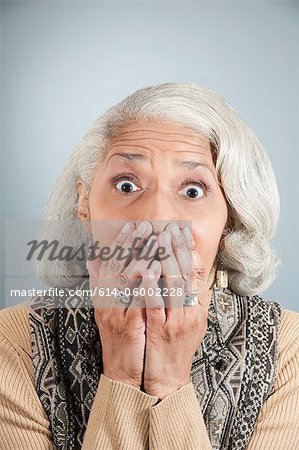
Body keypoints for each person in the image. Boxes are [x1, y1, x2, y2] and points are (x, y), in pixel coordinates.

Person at [0, 82, 298, 450]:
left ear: (231, 219)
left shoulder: (289, 350)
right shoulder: (11, 342)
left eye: (192, 191)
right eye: (127, 185)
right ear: (85, 203)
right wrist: (122, 375)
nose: (156, 218)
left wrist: (170, 381)